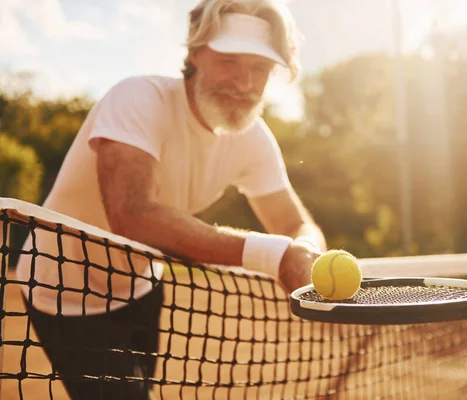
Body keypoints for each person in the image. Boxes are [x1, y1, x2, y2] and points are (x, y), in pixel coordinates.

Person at [16, 0, 326, 398]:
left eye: (260, 69)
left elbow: (295, 224)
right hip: (63, 292)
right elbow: (133, 215)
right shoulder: (137, 99)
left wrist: (305, 252)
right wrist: (275, 256)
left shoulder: (255, 139)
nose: (246, 83)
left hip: (144, 287)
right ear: (196, 53)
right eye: (230, 61)